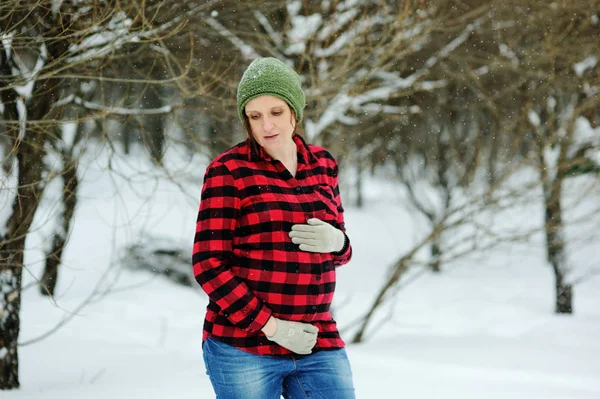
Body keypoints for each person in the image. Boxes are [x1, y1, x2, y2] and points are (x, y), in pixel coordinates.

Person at [193, 57, 355, 399]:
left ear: (294, 111)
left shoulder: (323, 164)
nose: (267, 125)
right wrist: (272, 327)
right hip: (243, 345)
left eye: (276, 112)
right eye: (255, 116)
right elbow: (208, 264)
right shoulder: (229, 171)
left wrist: (338, 242)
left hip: (316, 338)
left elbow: (342, 255)